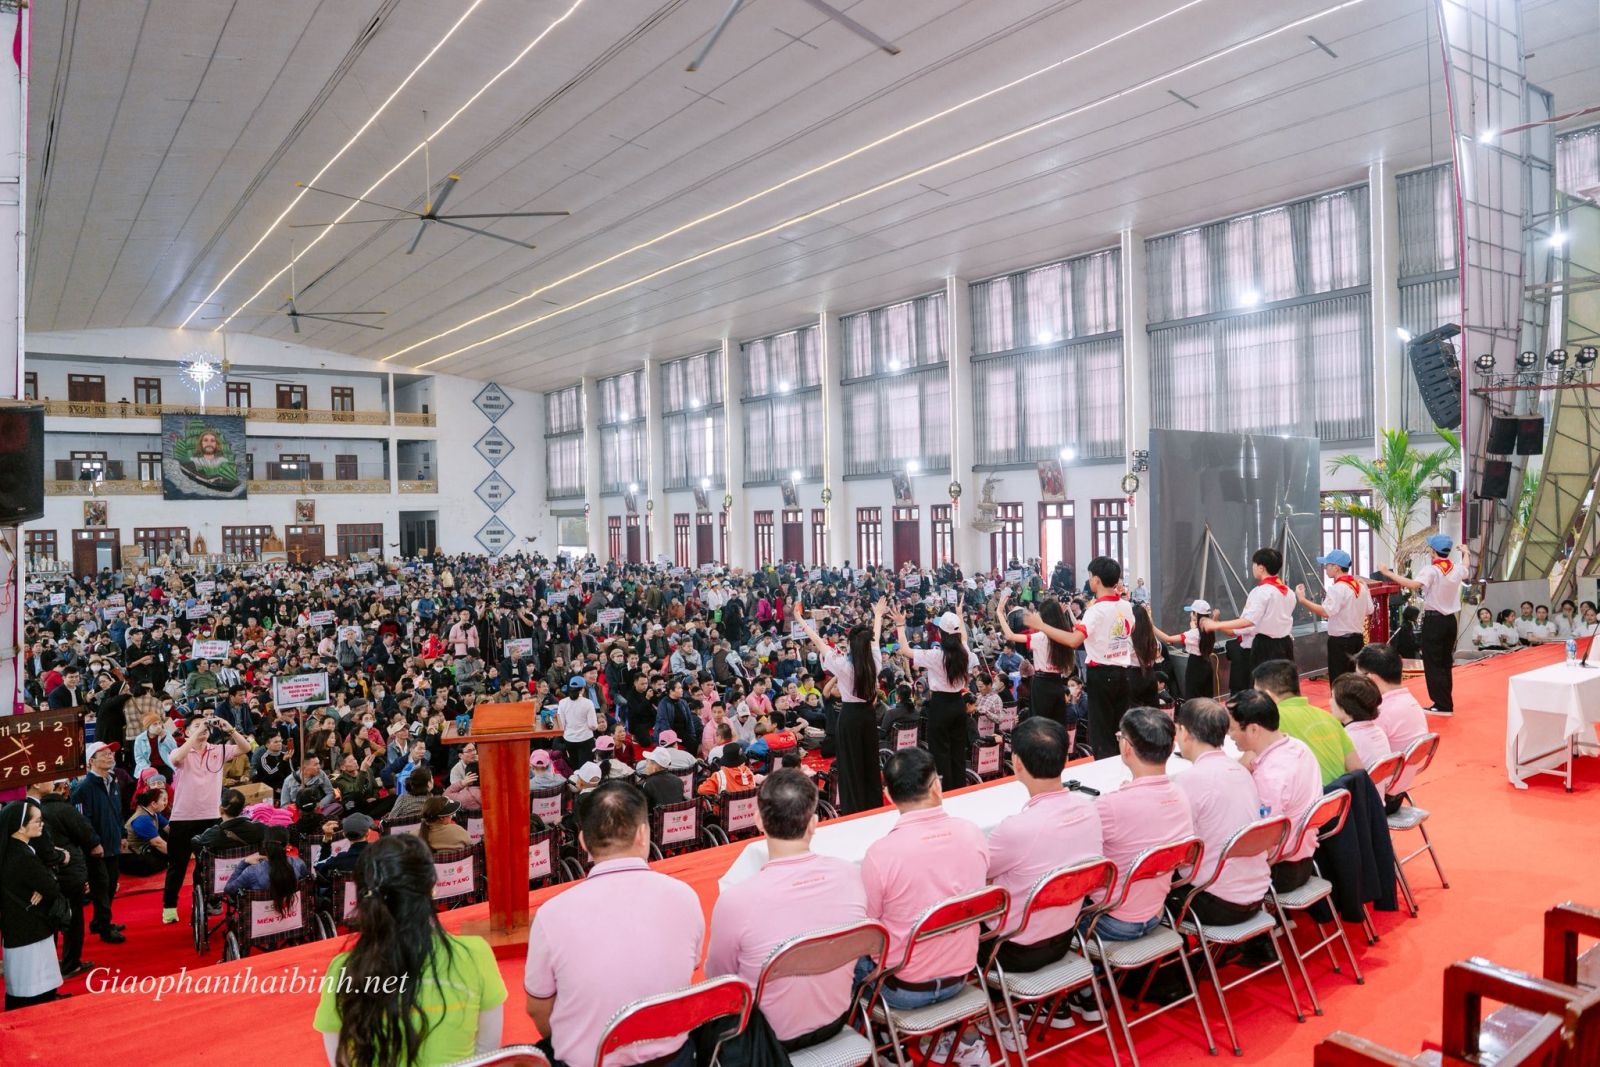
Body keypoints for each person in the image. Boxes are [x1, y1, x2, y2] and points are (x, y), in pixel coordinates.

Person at [525, 781, 703, 1067]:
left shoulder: (551, 914)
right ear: (643, 834)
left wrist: (571, 1042)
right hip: (673, 1058)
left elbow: (538, 1008)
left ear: (583, 842)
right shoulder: (685, 896)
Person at [705, 770, 868, 1049]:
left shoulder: (736, 901)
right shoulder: (851, 875)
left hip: (765, 1039)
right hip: (839, 1017)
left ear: (758, 820)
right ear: (814, 822)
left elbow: (720, 980)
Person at [316, 834, 507, 1065]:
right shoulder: (475, 954)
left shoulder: (343, 969)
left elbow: (341, 1059)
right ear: (433, 886)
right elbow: (486, 1051)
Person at [860, 747, 988, 1014]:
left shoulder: (881, 854)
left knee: (845, 957)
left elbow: (868, 928)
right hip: (961, 975)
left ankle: (875, 1035)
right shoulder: (972, 833)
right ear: (936, 786)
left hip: (902, 987)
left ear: (888, 796)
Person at [985, 718, 1101, 995]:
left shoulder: (1017, 829)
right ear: (1066, 758)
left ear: (1017, 763)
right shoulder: (1090, 811)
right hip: (1064, 937)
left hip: (1012, 949)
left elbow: (976, 874)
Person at [1019, 556, 1135, 759]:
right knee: (1120, 730)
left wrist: (1042, 626)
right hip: (1124, 674)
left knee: (1102, 735)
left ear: (1096, 580)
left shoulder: (1095, 611)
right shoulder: (1126, 606)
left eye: (1090, 576)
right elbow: (1129, 630)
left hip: (1102, 675)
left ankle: (1107, 774)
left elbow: (1074, 641)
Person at [1171, 699, 1270, 926]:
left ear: (1184, 733)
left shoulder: (1189, 780)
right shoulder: (1241, 770)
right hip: (1257, 893)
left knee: (1150, 891)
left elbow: (1174, 848)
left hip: (1217, 901)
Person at [793, 597, 885, 814]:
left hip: (850, 717)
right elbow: (876, 640)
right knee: (870, 761)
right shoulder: (875, 662)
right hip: (868, 715)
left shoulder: (843, 665)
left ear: (851, 644)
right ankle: (873, 805)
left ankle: (854, 809)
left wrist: (800, 619)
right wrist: (878, 616)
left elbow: (818, 641)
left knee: (850, 764)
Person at [162, 711, 253, 925]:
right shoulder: (180, 751)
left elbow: (246, 748)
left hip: (211, 816)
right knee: (177, 864)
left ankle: (203, 902)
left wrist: (229, 728)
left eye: (205, 726)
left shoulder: (217, 750)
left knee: (206, 864)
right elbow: (176, 759)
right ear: (186, 732)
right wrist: (197, 733)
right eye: (196, 726)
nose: (203, 729)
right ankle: (169, 906)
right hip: (183, 817)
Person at [1227, 691, 1321, 892]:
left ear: (1253, 729)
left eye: (1232, 728)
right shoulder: (1299, 747)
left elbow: (1262, 841)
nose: (1229, 735)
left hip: (1280, 870)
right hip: (1305, 857)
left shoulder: (1271, 776)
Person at [1378, 534, 1464, 715]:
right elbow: (1467, 567)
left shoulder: (1431, 570)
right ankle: (1445, 701)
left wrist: (1388, 573)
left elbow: (1413, 584)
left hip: (1434, 620)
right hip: (1450, 621)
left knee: (1433, 663)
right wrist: (1466, 553)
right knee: (1445, 662)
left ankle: (1441, 705)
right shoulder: (1456, 568)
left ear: (1433, 551)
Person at [895, 606, 971, 792]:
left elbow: (905, 650)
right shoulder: (965, 652)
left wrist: (900, 625)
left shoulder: (937, 655)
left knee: (940, 753)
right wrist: (959, 615)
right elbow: (963, 637)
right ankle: (960, 792)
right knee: (958, 752)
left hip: (941, 706)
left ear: (940, 633)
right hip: (958, 705)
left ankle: (945, 792)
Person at [1251, 660, 1363, 785]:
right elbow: (1357, 769)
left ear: (1267, 695)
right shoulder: (1329, 718)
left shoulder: (1269, 721)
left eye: (1257, 694)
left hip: (1308, 796)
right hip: (1340, 794)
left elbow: (1246, 766)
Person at [0, 800, 66, 1010]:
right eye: (37, 821)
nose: (41, 825)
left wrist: (43, 885)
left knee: (21, 985)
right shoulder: (22, 856)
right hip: (30, 929)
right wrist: (45, 884)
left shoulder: (11, 850)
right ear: (21, 826)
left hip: (16, 927)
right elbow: (52, 888)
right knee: (34, 987)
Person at [1354, 643, 1429, 808]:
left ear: (1371, 678)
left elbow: (1358, 761)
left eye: (1358, 677)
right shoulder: (1411, 702)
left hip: (1379, 800)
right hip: (1399, 788)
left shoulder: (1380, 713)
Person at [1205, 547, 1298, 674]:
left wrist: (1216, 624)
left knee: (1263, 682)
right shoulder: (1289, 592)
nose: (1252, 567)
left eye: (1254, 564)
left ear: (1261, 568)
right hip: (1285, 643)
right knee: (1283, 680)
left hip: (1266, 646)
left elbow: (1248, 621)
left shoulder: (1261, 591)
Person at [995, 589, 1077, 728]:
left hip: (1041, 685)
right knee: (1056, 726)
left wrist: (999, 613)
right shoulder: (1064, 635)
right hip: (1058, 684)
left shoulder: (1040, 637)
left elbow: (1010, 636)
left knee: (1040, 727)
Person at [70, 741, 125, 943]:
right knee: (101, 887)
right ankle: (105, 928)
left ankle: (98, 921)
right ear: (91, 761)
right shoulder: (82, 788)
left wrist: (122, 834)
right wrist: (93, 843)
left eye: (111, 753)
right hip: (95, 848)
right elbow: (81, 821)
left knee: (110, 885)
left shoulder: (113, 782)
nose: (110, 756)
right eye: (105, 754)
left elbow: (118, 812)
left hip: (113, 843)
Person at [1295, 549, 1370, 683]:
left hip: (1340, 643)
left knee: (1339, 681)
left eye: (1327, 565)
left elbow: (1325, 611)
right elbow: (1370, 610)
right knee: (1356, 681)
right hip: (1358, 640)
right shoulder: (1361, 587)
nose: (1325, 568)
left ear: (1336, 567)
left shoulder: (1338, 588)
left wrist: (1303, 600)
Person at [222, 826, 307, 908]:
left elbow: (229, 890)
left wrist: (244, 863)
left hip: (260, 916)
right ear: (287, 846)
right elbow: (305, 884)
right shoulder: (298, 863)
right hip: (292, 913)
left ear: (264, 845)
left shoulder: (251, 871)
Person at [1151, 598, 1217, 701]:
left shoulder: (1193, 634)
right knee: (1206, 697)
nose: (1190, 614)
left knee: (1193, 698)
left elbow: (1168, 639)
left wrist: (1151, 626)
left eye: (1192, 612)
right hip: (1207, 664)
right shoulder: (1210, 628)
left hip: (1195, 666)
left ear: (1196, 614)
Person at [1330, 674, 1392, 767]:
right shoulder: (1379, 731)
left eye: (1333, 697)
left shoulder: (1346, 739)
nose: (1330, 702)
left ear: (1346, 706)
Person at [119, 786, 170, 876]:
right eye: (164, 800)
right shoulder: (142, 818)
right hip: (130, 855)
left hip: (144, 849)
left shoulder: (155, 813)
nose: (166, 803)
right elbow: (157, 843)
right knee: (156, 861)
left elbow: (169, 829)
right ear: (154, 804)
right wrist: (180, 854)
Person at [557, 675, 600, 768]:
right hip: (586, 740)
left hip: (569, 739)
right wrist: (596, 726)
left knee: (574, 766)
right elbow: (593, 725)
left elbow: (561, 724)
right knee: (586, 768)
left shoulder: (562, 702)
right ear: (583, 689)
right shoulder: (588, 703)